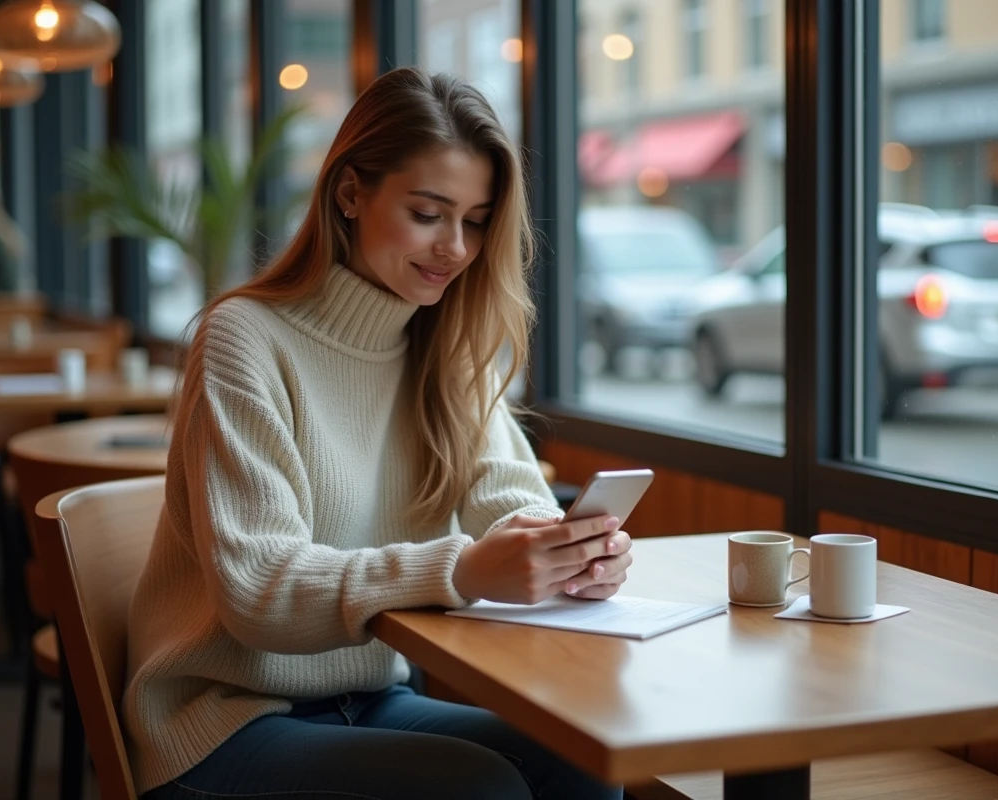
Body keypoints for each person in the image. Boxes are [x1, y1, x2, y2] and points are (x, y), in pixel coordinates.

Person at [126, 67, 632, 800]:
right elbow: (259, 589)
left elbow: (507, 497)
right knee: (480, 789)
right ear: (351, 193)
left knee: (587, 754)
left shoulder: (443, 342)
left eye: (478, 219)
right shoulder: (245, 339)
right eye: (429, 213)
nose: (456, 248)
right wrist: (462, 570)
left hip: (368, 699)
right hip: (223, 720)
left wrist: (566, 552)